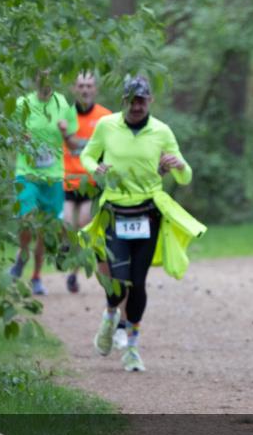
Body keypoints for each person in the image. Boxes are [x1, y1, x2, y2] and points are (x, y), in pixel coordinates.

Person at [80, 76, 206, 372]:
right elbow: (87, 155)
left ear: (150, 101)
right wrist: (96, 168)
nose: (136, 106)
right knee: (117, 280)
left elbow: (185, 176)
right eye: (131, 101)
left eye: (142, 100)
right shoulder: (107, 125)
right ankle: (110, 316)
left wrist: (179, 166)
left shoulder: (161, 131)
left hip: (148, 213)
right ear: (123, 101)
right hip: (114, 211)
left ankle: (132, 348)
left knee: (137, 284)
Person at [10, 68, 79, 295]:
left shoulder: (63, 105)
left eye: (50, 76)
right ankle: (22, 255)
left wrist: (66, 133)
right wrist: (20, 137)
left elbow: (73, 146)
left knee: (45, 230)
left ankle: (37, 276)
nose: (46, 80)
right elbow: (10, 136)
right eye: (42, 75)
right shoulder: (22, 104)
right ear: (35, 78)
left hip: (53, 177)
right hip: (27, 173)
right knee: (26, 219)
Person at [64, 70, 113, 294]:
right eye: (81, 85)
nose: (85, 90)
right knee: (66, 225)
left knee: (83, 226)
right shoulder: (64, 115)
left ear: (95, 89)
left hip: (90, 181)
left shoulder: (105, 117)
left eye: (89, 85)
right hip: (66, 180)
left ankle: (73, 273)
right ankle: (66, 254)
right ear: (74, 89)